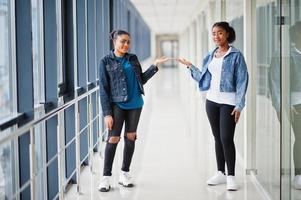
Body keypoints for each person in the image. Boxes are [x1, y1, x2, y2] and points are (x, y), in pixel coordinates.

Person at [177, 22, 248, 191]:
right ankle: (220, 173)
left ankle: (231, 176)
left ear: (228, 34)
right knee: (217, 138)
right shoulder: (210, 55)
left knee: (226, 138)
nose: (216, 36)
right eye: (214, 33)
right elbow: (203, 77)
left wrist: (239, 105)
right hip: (211, 101)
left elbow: (242, 81)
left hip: (229, 102)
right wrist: (190, 66)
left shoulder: (236, 55)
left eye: (220, 33)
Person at [98, 29, 169, 192]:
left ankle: (124, 173)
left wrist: (154, 66)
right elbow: (104, 89)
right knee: (113, 139)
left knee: (131, 137)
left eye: (128, 42)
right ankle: (106, 177)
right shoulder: (105, 61)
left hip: (136, 104)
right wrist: (107, 113)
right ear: (114, 41)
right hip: (116, 104)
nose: (126, 45)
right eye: (123, 41)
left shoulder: (133, 58)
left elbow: (141, 79)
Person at [269, 21, 301, 189]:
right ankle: (298, 174)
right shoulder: (283, 54)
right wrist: (281, 105)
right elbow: (275, 82)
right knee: (300, 137)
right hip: (294, 103)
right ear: (295, 36)